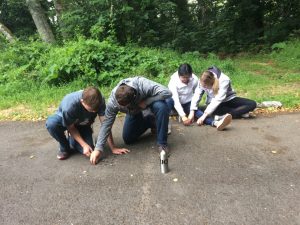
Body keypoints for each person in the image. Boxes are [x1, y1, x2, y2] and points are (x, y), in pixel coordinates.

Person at [90, 76, 172, 165]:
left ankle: (162, 143)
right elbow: (106, 124)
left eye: (124, 106)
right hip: (135, 112)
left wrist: (146, 102)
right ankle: (152, 121)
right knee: (128, 138)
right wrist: (98, 149)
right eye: (120, 106)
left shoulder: (143, 84)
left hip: (148, 105)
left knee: (161, 107)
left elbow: (167, 92)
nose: (121, 108)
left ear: (133, 99)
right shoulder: (113, 101)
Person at [46, 87, 128, 161]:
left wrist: (113, 147)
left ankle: (73, 140)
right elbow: (71, 127)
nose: (94, 112)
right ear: (82, 102)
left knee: (90, 150)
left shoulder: (100, 100)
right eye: (91, 109)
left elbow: (105, 124)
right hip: (65, 121)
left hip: (83, 124)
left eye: (96, 110)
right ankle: (64, 147)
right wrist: (84, 145)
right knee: (52, 124)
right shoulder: (69, 106)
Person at [166, 63, 232, 131]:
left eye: (187, 77)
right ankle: (166, 125)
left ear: (191, 75)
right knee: (168, 101)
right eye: (183, 78)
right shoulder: (173, 82)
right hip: (174, 104)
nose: (186, 79)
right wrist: (183, 116)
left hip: (188, 103)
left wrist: (192, 111)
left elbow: (196, 95)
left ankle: (216, 123)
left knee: (198, 112)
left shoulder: (194, 79)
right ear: (179, 75)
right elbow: (175, 100)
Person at [191, 66, 257, 125]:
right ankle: (239, 113)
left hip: (229, 100)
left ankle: (222, 116)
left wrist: (204, 116)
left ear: (211, 83)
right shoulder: (202, 80)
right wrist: (192, 111)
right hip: (216, 105)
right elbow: (197, 94)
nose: (204, 87)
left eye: (205, 86)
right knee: (198, 108)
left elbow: (218, 99)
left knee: (252, 104)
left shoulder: (224, 80)